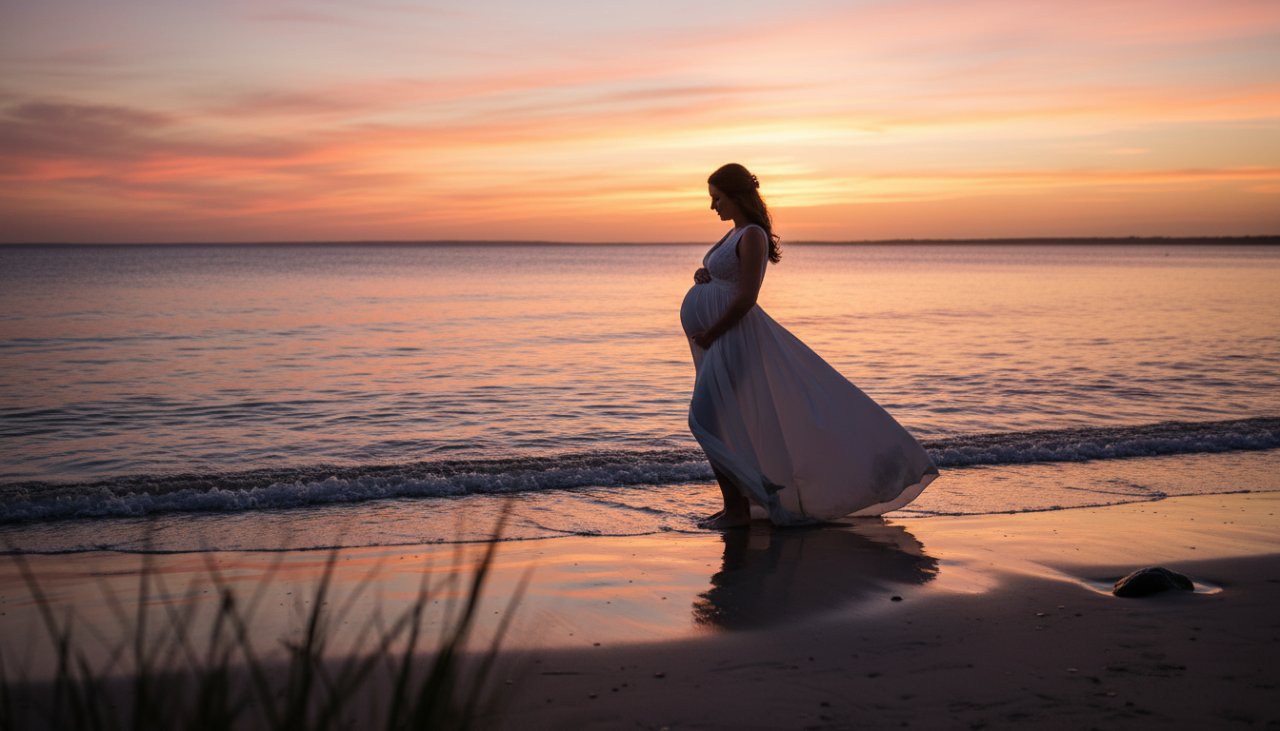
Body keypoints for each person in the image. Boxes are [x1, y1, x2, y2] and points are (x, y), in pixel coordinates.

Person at [680, 163, 938, 529]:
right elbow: (726, 277)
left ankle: (740, 507)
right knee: (723, 421)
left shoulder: (752, 235)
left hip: (732, 338)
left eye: (717, 198)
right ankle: (737, 505)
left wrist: (712, 332)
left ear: (736, 196)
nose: (713, 207)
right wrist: (704, 276)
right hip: (719, 341)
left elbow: (747, 296)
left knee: (704, 418)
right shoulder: (733, 234)